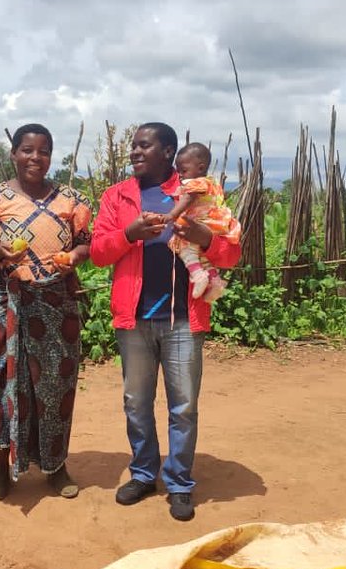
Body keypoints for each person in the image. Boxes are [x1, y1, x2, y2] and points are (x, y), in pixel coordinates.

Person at [89, 122, 241, 521]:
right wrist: (130, 233)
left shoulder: (197, 190)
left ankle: (179, 483)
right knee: (136, 403)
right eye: (133, 146)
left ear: (168, 151)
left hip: (183, 320)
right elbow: (99, 253)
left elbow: (230, 254)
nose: (135, 152)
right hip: (133, 319)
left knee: (184, 406)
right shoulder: (117, 196)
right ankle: (143, 473)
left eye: (144, 146)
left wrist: (204, 237)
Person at [0, 124, 93, 500]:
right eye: (27, 150)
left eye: (43, 151)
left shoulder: (72, 200)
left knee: (56, 386)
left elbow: (86, 245)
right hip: (6, 301)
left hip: (56, 303)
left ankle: (55, 465)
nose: (35, 157)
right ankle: (0, 468)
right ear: (13, 154)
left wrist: (73, 257)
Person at [162, 142, 240, 303]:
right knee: (202, 254)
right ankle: (215, 281)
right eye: (178, 170)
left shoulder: (196, 183)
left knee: (183, 245)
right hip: (217, 223)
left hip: (203, 222)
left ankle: (198, 274)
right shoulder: (212, 183)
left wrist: (172, 215)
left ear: (200, 168)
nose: (180, 175)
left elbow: (188, 198)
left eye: (183, 170)